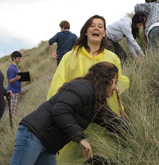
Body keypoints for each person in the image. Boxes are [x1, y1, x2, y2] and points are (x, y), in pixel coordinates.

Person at [47, 15, 129, 163]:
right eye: (92, 25)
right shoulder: (70, 56)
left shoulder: (112, 58)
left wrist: (116, 85)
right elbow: (57, 84)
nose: (96, 28)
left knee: (103, 151)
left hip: (103, 112)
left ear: (104, 33)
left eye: (100, 26)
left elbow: (119, 82)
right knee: (73, 155)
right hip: (77, 114)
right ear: (86, 31)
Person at [10, 62, 128, 165]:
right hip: (33, 135)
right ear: (106, 80)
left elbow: (110, 121)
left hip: (48, 146)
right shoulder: (82, 88)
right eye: (115, 82)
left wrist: (135, 135)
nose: (116, 88)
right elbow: (60, 110)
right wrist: (81, 138)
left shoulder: (95, 101)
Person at [6, 51, 22, 116]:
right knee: (10, 110)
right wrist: (16, 78)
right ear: (14, 58)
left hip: (17, 91)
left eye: (20, 58)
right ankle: (8, 124)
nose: (20, 60)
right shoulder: (11, 68)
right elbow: (10, 81)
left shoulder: (16, 67)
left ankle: (11, 125)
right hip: (12, 91)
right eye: (18, 58)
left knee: (14, 111)